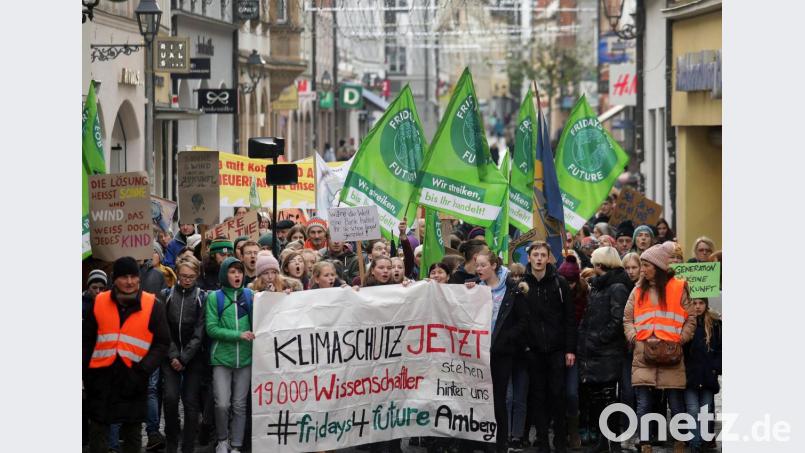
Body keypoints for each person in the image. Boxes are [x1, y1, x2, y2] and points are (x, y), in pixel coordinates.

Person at [83, 256, 170, 453]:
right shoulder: (99, 302)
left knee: (132, 434)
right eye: (124, 277)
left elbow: (162, 342)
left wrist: (143, 369)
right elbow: (86, 340)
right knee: (98, 434)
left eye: (133, 276)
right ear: (115, 279)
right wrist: (86, 374)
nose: (129, 282)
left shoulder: (152, 305)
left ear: (139, 278)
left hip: (133, 378)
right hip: (100, 379)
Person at [623, 242, 697, 453]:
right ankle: (644, 442)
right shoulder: (637, 290)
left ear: (658, 265)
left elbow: (691, 317)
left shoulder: (679, 286)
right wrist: (634, 338)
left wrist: (682, 339)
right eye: (642, 265)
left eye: (646, 264)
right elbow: (627, 318)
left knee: (675, 403)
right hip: (643, 354)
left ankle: (679, 442)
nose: (643, 268)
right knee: (644, 404)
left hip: (672, 353)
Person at [466, 250, 528, 453]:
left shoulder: (512, 288)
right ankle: (481, 440)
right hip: (479, 353)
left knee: (499, 399)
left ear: (494, 266)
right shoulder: (475, 287)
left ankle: (499, 444)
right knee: (480, 397)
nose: (479, 269)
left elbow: (523, 321)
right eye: (477, 265)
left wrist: (506, 339)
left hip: (501, 353)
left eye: (483, 265)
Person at [521, 241, 575, 453]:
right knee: (538, 396)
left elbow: (569, 318)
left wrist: (570, 349)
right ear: (529, 258)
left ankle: (560, 439)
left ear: (549, 257)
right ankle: (542, 440)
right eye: (535, 254)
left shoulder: (559, 283)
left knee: (558, 395)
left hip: (557, 349)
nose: (539, 258)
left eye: (543, 254)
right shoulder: (522, 284)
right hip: (533, 351)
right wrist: (525, 346)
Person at [577, 247, 632, 453]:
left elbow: (618, 320)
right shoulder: (599, 285)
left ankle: (612, 442)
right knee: (597, 399)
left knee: (609, 398)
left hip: (607, 352)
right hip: (593, 351)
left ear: (601, 264)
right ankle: (603, 440)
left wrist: (599, 338)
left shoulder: (616, 287)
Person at [205, 257, 255, 453]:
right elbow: (211, 329)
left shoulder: (250, 295)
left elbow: (271, 303)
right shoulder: (214, 297)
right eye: (233, 272)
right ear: (224, 274)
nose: (237, 275)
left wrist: (284, 292)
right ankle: (222, 440)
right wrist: (238, 335)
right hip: (221, 359)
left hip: (245, 359)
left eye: (239, 272)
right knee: (222, 404)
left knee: (239, 405)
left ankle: (236, 445)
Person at [158, 257, 207, 453]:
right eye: (184, 276)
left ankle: (188, 446)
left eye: (191, 277)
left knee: (190, 401)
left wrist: (185, 357)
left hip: (193, 356)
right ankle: (172, 439)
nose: (187, 280)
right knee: (170, 398)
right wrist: (173, 356)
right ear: (177, 274)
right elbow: (162, 328)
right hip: (170, 354)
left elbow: (200, 330)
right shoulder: (166, 295)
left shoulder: (201, 296)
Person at [556, 255, 587, 449]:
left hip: (577, 351)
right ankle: (561, 430)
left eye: (572, 282)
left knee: (572, 393)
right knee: (556, 392)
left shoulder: (585, 295)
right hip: (555, 349)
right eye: (566, 282)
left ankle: (574, 430)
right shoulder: (555, 291)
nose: (570, 286)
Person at [683, 298, 722, 453]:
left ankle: (705, 439)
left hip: (707, 374)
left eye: (701, 303)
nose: (697, 307)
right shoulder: (685, 323)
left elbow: (720, 348)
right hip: (690, 374)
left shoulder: (715, 324)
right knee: (692, 409)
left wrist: (715, 368)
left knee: (706, 409)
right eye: (694, 303)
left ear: (706, 305)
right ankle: (695, 444)